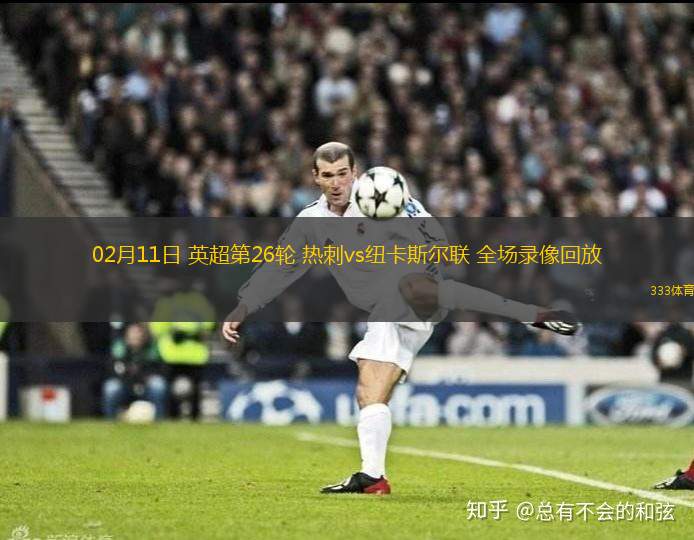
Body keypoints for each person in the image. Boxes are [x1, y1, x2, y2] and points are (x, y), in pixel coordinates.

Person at [222, 141, 578, 495]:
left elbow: (438, 240)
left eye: (343, 173)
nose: (337, 183)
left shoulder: (382, 196)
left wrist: (406, 218)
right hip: (382, 314)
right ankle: (373, 477)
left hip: (411, 290)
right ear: (315, 177)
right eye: (328, 175)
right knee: (369, 392)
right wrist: (244, 307)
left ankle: (527, 314)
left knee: (413, 286)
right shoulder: (311, 221)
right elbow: (280, 268)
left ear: (355, 172)